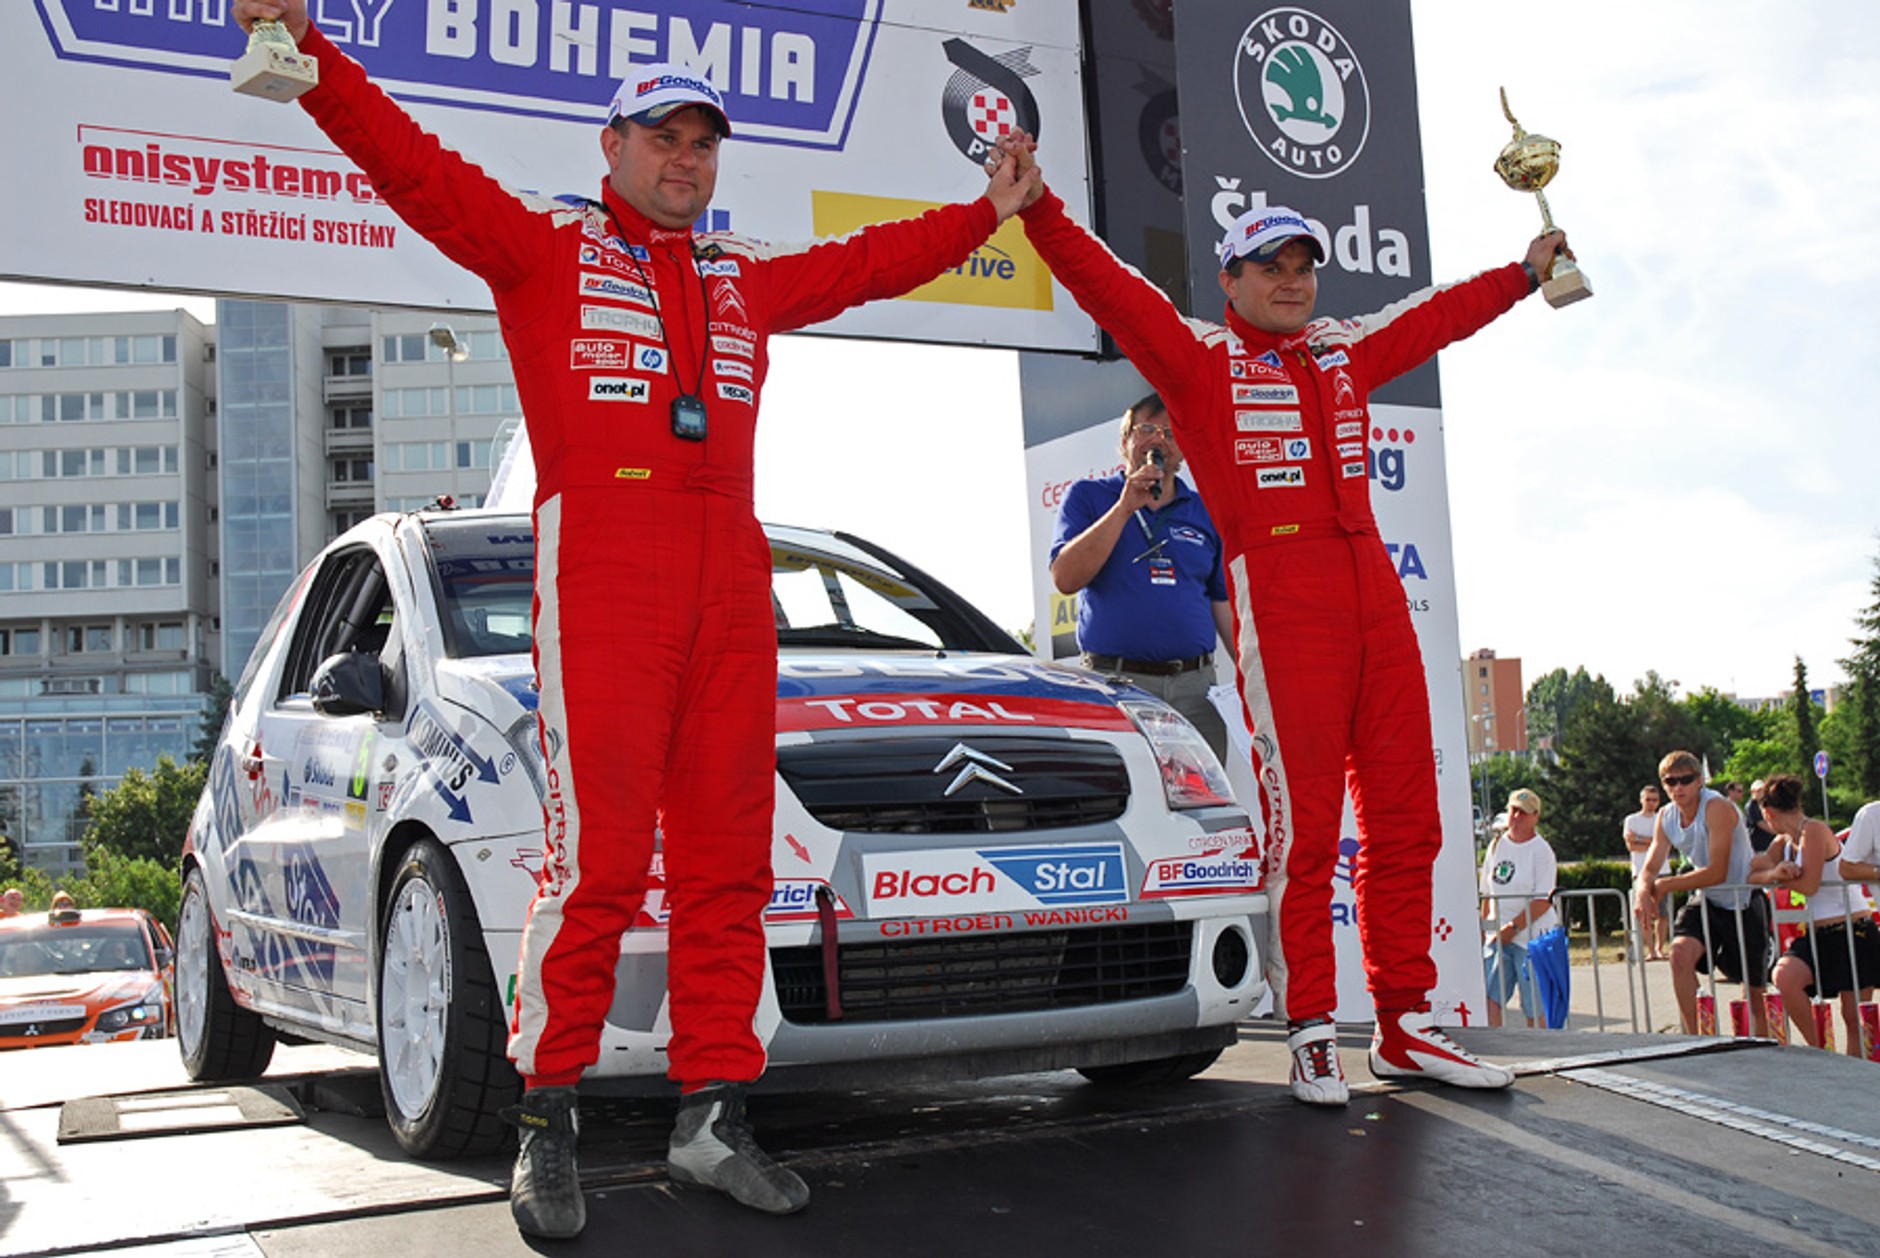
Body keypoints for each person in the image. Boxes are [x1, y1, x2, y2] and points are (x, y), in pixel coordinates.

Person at [229, 0, 1040, 1236]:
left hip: (729, 570)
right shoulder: (543, 251)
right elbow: (414, 167)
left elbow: (873, 262)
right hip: (602, 564)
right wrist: (316, 53)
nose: (686, 159)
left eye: (703, 141)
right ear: (610, 149)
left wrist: (988, 212)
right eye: (663, 137)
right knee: (600, 861)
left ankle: (713, 1117)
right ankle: (545, 1119)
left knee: (727, 866)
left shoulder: (743, 277)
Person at [999, 135, 1552, 1105]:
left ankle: (1406, 1023)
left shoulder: (1340, 351)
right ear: (1231, 279)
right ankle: (1306, 1027)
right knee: (1305, 830)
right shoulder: (1199, 360)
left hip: (1372, 591)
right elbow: (1111, 288)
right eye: (1270, 266)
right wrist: (1038, 208)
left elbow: (1434, 320)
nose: (1290, 282)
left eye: (1301, 265)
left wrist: (1519, 272)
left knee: (1406, 817)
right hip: (1280, 597)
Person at [1050, 393, 1233, 759]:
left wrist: (1253, 678)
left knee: (1203, 806)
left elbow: (1223, 604)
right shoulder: (1089, 496)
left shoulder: (1206, 510)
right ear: (1125, 441)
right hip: (1118, 685)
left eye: (1169, 432)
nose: (1157, 440)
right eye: (1146, 429)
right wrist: (1124, 508)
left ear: (1183, 449)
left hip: (1195, 690)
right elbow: (1066, 579)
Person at [1635, 749, 1770, 1037]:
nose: (1678, 787)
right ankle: (1695, 1036)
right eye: (1671, 782)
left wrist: (1664, 886)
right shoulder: (1666, 816)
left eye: (1686, 780)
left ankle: (1765, 1050)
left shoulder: (1716, 807)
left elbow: (1716, 871)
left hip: (1742, 898)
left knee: (1754, 991)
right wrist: (1643, 892)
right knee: (1680, 955)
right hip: (1708, 898)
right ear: (1663, 784)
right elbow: (1650, 867)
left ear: (1700, 782)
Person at [1750, 775, 1879, 1054]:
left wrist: (1778, 878)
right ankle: (1821, 1050)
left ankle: (1860, 1077)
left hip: (1852, 929)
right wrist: (1774, 872)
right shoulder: (1783, 842)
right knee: (1784, 976)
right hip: (1818, 933)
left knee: (1853, 1015)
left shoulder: (1815, 830)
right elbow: (1751, 873)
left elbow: (1809, 884)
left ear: (1768, 813)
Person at [1479, 789, 1559, 1028]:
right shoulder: (1496, 846)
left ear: (1535, 816)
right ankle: (1496, 1047)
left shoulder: (1541, 850)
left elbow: (1543, 900)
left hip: (1529, 939)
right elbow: (1487, 891)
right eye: (1513, 810)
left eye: (1523, 813)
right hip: (1498, 939)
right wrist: (1486, 928)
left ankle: (1540, 1050)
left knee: (1533, 1004)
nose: (1516, 817)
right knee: (1491, 999)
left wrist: (1513, 928)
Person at [1623, 784, 1669, 960]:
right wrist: (1655, 842)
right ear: (1641, 800)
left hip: (1662, 870)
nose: (1651, 803)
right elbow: (1631, 845)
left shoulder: (1663, 818)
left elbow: (1666, 843)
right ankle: (1650, 950)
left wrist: (1642, 839)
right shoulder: (1631, 820)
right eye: (1648, 799)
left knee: (1662, 913)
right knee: (1644, 913)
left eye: (1654, 800)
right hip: (1641, 872)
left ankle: (1660, 948)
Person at [1744, 778, 1777, 854]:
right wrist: (1777, 832)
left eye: (1762, 790)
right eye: (1758, 790)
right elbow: (1760, 823)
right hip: (1759, 843)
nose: (1761, 793)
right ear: (1752, 792)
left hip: (1769, 841)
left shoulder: (1765, 803)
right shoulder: (1751, 806)